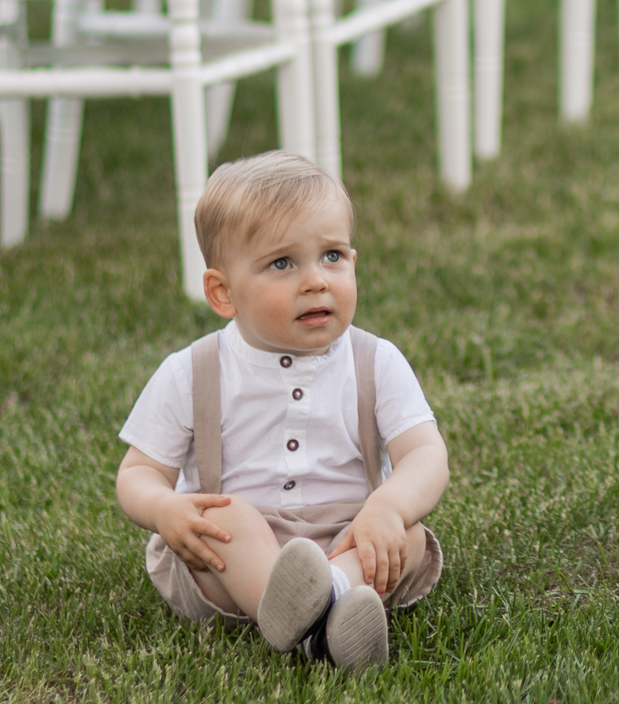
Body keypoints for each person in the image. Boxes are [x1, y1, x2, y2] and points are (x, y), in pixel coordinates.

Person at [116, 151, 448, 673]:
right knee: (221, 517)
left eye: (332, 256)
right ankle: (316, 615)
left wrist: (387, 506)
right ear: (223, 292)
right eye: (282, 263)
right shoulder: (193, 371)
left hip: (351, 531)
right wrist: (163, 509)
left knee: (404, 534)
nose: (315, 280)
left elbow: (426, 454)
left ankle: (323, 607)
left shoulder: (376, 361)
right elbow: (138, 472)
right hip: (237, 555)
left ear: (354, 262)